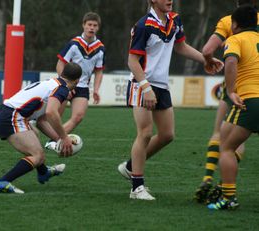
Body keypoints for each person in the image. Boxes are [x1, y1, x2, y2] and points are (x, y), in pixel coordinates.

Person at [117, 0, 224, 200]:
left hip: (162, 86)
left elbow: (181, 47)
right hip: (142, 84)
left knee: (167, 135)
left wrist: (205, 59)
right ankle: (137, 187)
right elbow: (132, 61)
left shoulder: (174, 20)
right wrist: (146, 88)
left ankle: (131, 166)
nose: (170, 0)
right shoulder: (143, 25)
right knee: (146, 132)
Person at [194, 0, 259, 204]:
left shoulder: (233, 30)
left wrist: (230, 91)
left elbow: (215, 54)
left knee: (226, 142)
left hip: (245, 97)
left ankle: (224, 191)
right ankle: (223, 186)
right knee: (230, 136)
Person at [0, 62, 82, 193]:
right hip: (12, 117)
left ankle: (43, 172)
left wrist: (58, 139)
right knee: (37, 155)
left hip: (10, 114)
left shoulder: (53, 82)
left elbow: (41, 121)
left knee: (36, 136)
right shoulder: (62, 88)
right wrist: (64, 137)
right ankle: (2, 182)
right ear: (78, 80)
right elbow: (52, 112)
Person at [45, 12, 105, 149]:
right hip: (67, 85)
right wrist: (65, 85)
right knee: (56, 115)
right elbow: (60, 64)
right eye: (89, 24)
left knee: (78, 117)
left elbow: (99, 71)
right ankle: (48, 135)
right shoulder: (74, 44)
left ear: (98, 28)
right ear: (83, 25)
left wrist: (96, 90)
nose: (91, 28)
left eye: (95, 25)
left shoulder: (100, 48)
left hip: (83, 87)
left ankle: (52, 141)